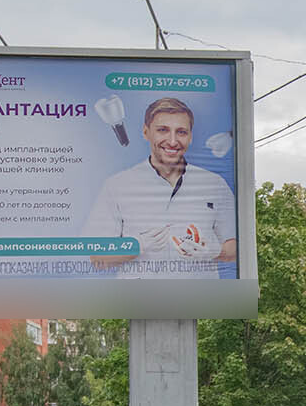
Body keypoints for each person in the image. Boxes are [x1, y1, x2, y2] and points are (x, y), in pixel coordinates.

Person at [83, 97, 236, 278]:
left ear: (190, 137)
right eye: (163, 130)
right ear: (146, 132)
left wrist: (215, 251)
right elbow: (97, 258)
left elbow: (237, 247)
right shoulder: (117, 186)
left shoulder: (215, 184)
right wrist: (137, 245)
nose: (172, 141)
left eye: (181, 132)